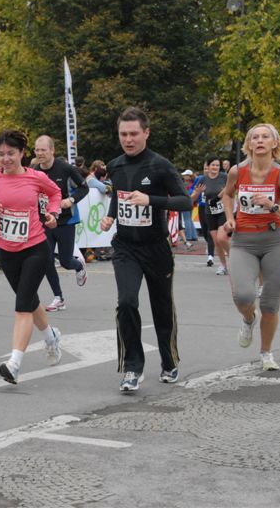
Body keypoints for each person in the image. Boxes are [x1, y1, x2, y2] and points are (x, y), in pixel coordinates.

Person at [99, 107, 191, 392]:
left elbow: (184, 201)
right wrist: (111, 215)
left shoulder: (160, 165)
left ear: (146, 133)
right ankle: (132, 367)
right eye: (123, 134)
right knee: (126, 302)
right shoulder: (115, 165)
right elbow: (119, 195)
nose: (128, 139)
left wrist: (151, 200)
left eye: (133, 134)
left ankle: (169, 361)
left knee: (161, 307)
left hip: (156, 248)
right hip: (126, 246)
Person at [0, 130, 64, 383]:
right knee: (29, 299)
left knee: (22, 305)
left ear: (22, 153)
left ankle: (14, 363)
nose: (6, 159)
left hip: (35, 247)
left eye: (11, 154)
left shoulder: (37, 177)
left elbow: (56, 193)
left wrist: (53, 214)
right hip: (8, 250)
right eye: (1, 154)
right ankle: (51, 337)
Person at [221, 124, 280, 371]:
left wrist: (272, 205)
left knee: (269, 303)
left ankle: (266, 353)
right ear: (248, 144)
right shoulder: (238, 170)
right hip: (243, 241)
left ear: (275, 143)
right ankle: (248, 318)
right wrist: (229, 217)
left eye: (265, 137)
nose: (260, 140)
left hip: (274, 241)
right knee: (243, 295)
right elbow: (227, 194)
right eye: (254, 137)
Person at [32, 135, 89, 312]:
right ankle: (59, 298)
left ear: (52, 151)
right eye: (37, 150)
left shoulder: (66, 168)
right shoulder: (34, 170)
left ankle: (78, 265)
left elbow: (84, 187)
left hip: (65, 221)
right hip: (45, 222)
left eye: (43, 150)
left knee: (65, 261)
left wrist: (71, 200)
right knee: (47, 260)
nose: (40, 153)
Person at [192, 156, 229, 275]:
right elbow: (192, 197)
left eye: (217, 165)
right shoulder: (202, 179)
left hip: (223, 210)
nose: (215, 168)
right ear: (207, 167)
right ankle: (223, 265)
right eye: (213, 165)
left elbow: (231, 187)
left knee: (221, 237)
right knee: (216, 241)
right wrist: (197, 193)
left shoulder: (224, 177)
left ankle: (234, 259)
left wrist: (220, 196)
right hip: (210, 212)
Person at [190, 161, 216, 266]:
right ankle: (209, 244)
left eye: (207, 168)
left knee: (211, 232)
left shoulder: (216, 179)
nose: (206, 170)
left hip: (212, 207)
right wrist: (196, 192)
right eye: (205, 168)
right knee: (205, 231)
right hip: (202, 206)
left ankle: (210, 256)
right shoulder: (199, 179)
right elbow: (192, 190)